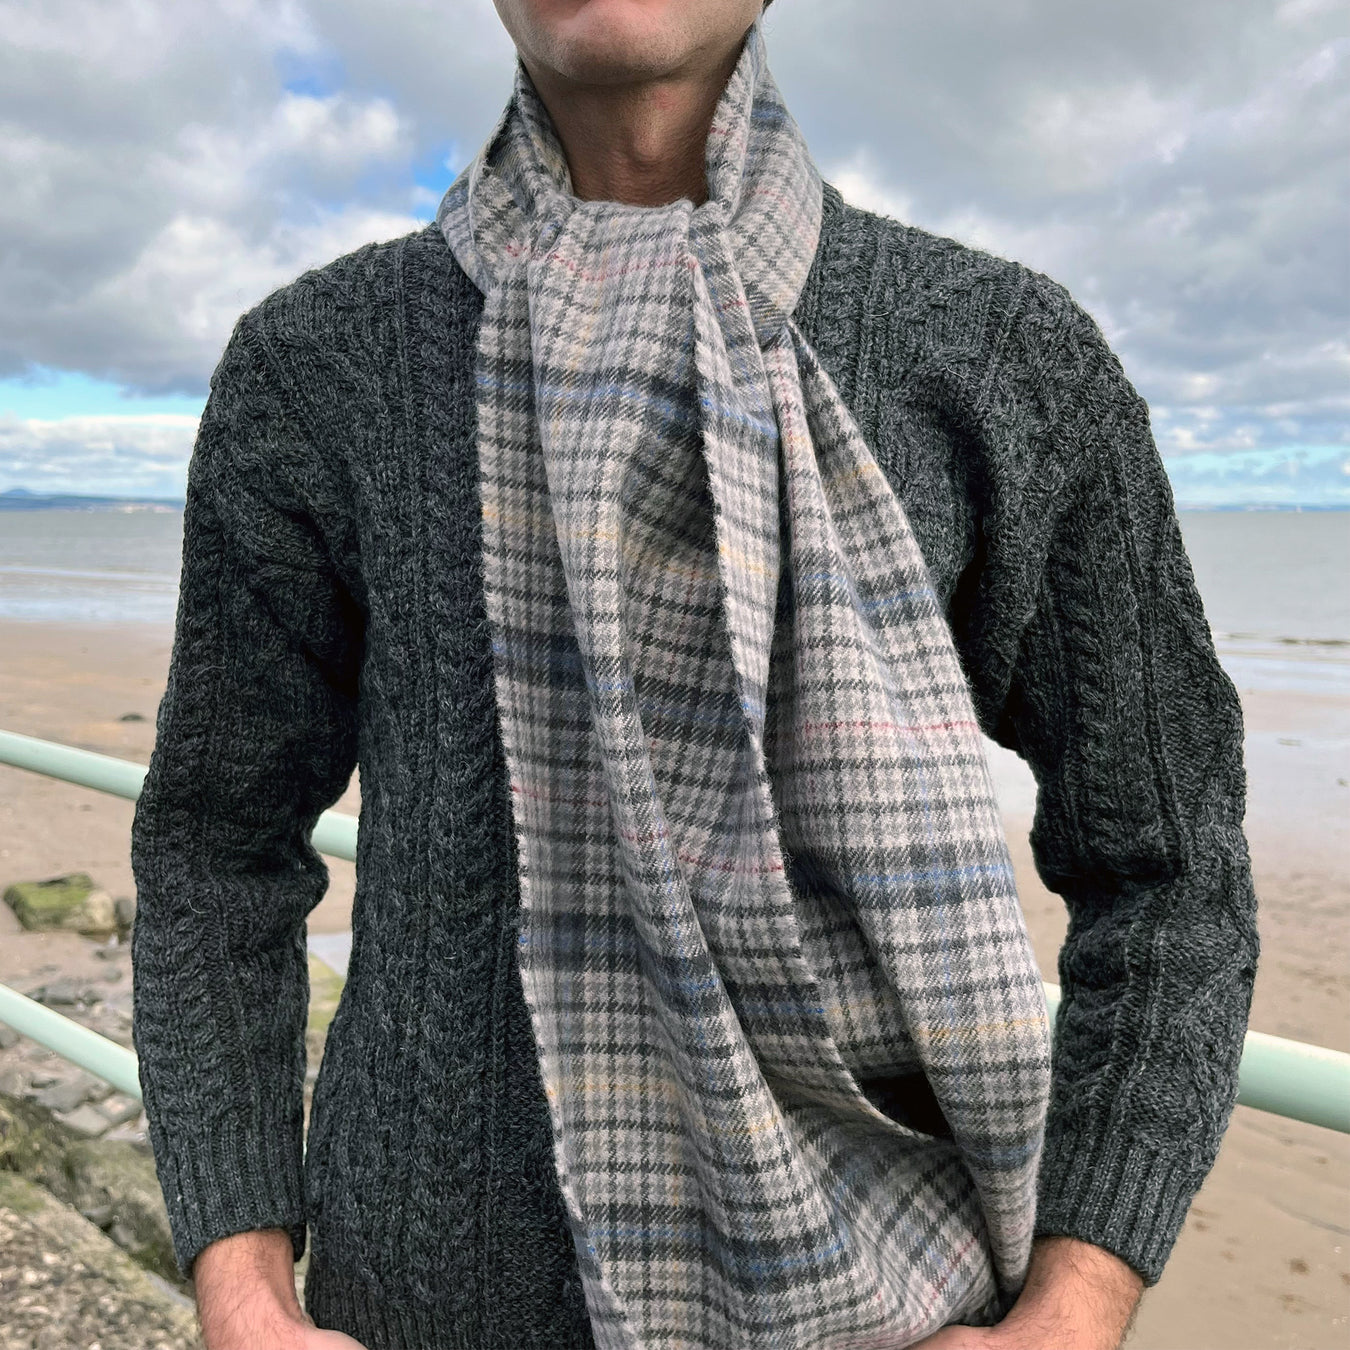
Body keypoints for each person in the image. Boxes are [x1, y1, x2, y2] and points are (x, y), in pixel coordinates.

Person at [128, 1, 1259, 1348]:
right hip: (410, 1312)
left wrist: (1075, 1304)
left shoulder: (999, 357)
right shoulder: (318, 368)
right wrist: (242, 1284)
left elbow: (1169, 867)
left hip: (888, 1306)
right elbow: (216, 848)